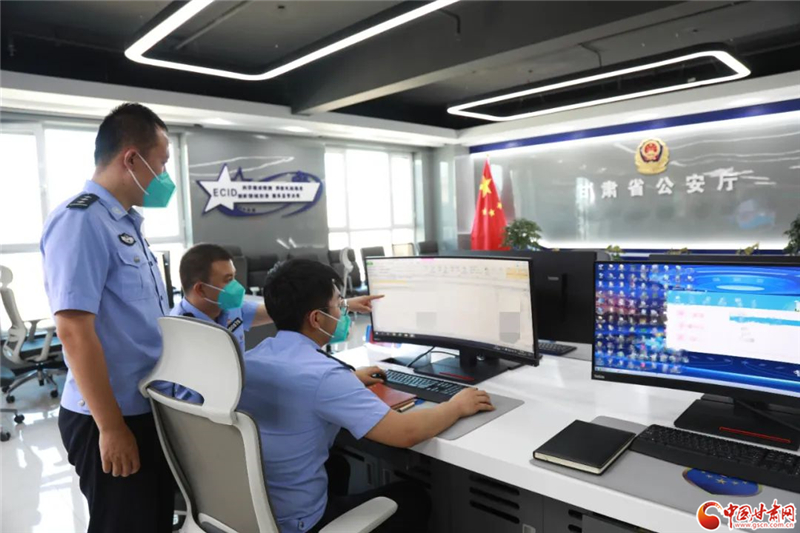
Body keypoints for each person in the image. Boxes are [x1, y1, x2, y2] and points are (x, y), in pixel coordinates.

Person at [239, 259, 495, 533]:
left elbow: (301, 387)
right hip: (300, 524)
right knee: (413, 497)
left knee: (338, 465)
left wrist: (347, 380)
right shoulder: (325, 377)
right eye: (338, 305)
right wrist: (456, 406)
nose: (343, 312)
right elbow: (405, 432)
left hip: (257, 513)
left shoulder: (251, 358)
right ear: (316, 318)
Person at [41, 103, 176, 532]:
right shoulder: (80, 221)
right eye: (162, 163)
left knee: (151, 520)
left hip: (143, 406)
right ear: (131, 159)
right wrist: (112, 427)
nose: (165, 176)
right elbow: (73, 331)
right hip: (109, 414)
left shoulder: (126, 223)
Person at [171, 243, 383, 355]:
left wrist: (343, 304)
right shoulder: (182, 331)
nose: (237, 286)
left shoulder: (227, 308)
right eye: (228, 280)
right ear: (201, 289)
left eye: (234, 276)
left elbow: (283, 308)